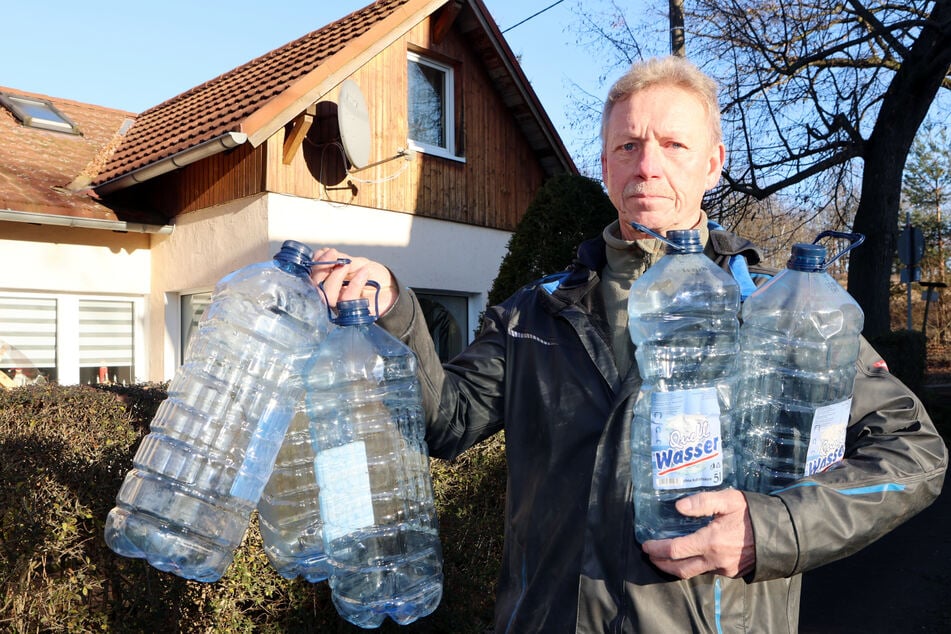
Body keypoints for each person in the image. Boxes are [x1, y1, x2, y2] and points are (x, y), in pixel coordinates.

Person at [310, 56, 947, 632]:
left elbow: (913, 451)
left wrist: (771, 529)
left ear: (713, 161)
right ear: (607, 161)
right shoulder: (536, 312)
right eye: (628, 144)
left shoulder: (780, 311)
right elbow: (445, 420)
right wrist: (391, 305)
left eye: (673, 144)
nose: (647, 164)